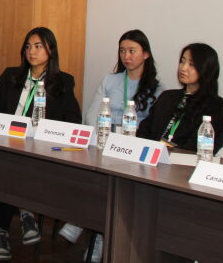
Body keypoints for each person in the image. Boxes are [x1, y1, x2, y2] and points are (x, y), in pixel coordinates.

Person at [59, 29, 164, 261]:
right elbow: (92, 114)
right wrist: (100, 140)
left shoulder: (157, 89)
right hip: (105, 143)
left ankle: (90, 230)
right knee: (93, 173)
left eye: (132, 51)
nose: (127, 56)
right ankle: (88, 226)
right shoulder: (110, 80)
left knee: (114, 185)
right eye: (122, 51)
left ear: (146, 54)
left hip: (133, 150)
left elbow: (152, 128)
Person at [0, 27, 81, 261]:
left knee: (9, 166)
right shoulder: (11, 76)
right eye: (28, 46)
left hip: (39, 149)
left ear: (51, 50)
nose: (32, 51)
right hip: (7, 142)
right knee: (5, 161)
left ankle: (2, 229)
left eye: (38, 46)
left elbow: (73, 121)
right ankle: (24, 211)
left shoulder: (63, 82)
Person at [137, 43, 223, 152]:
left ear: (206, 69)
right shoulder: (167, 96)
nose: (183, 68)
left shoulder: (214, 105)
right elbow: (144, 129)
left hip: (182, 160)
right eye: (182, 61)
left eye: (191, 64)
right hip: (151, 155)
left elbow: (196, 146)